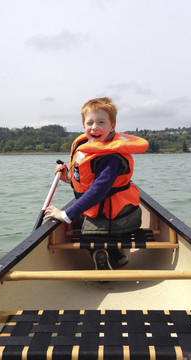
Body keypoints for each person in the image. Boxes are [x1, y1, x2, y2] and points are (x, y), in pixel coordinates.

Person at [43, 97, 149, 270]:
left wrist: (65, 215)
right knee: (81, 222)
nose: (94, 127)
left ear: (112, 125)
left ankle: (101, 256)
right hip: (107, 216)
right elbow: (86, 181)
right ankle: (118, 256)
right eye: (90, 122)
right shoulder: (85, 146)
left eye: (101, 122)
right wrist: (68, 178)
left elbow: (97, 192)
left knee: (80, 231)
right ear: (84, 125)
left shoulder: (110, 157)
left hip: (117, 220)